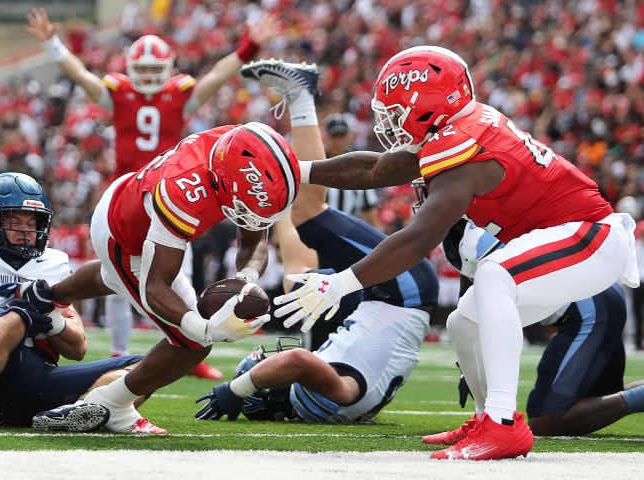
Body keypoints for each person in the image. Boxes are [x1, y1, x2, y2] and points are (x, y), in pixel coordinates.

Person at [273, 46, 639, 460]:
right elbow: (376, 170)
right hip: (569, 237)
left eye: (396, 111)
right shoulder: (459, 128)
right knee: (464, 321)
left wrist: (341, 283)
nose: (389, 123)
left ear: (427, 105)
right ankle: (488, 418)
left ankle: (503, 425)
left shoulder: (462, 143)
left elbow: (421, 236)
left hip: (591, 237)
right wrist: (297, 169)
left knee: (495, 274)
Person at [26, 9, 280, 378]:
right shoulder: (121, 94)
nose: (145, 77)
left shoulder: (176, 95)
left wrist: (251, 43)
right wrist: (52, 43)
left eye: (151, 69)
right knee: (117, 269)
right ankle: (124, 348)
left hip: (169, 193)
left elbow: (218, 75)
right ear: (131, 67)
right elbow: (80, 76)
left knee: (175, 267)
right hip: (128, 194)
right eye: (140, 70)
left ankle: (189, 347)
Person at [27, 107, 303, 433]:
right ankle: (110, 403)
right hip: (124, 235)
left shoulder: (240, 149)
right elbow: (155, 287)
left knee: (112, 278)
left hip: (128, 197)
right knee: (191, 344)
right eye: (249, 206)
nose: (256, 216)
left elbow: (255, 237)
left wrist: (246, 281)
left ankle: (47, 297)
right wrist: (204, 328)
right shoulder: (183, 192)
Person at [195, 60, 438, 423]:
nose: (273, 359)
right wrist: (236, 390)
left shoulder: (342, 401)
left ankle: (300, 101)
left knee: (299, 278)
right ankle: (301, 95)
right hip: (401, 290)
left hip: (386, 297)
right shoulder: (336, 395)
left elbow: (302, 361)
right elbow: (297, 362)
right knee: (306, 211)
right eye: (264, 372)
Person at [410, 181, 644, 438]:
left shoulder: (480, 232)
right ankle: (485, 421)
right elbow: (471, 296)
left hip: (590, 307)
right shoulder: (462, 233)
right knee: (596, 399)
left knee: (547, 419)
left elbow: (496, 286)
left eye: (431, 190)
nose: (424, 200)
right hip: (592, 302)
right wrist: (469, 360)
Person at [0, 173, 145, 433]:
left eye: (32, 222)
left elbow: (78, 346)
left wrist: (53, 324)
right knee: (16, 315)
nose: (26, 232)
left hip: (39, 382)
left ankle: (76, 411)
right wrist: (0, 315)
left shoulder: (52, 263)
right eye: (15, 221)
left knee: (148, 367)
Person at [322, 113, 380, 228]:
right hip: (318, 230)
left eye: (341, 136)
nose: (337, 141)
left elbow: (369, 209)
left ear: (349, 137)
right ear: (325, 137)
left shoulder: (358, 167)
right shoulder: (315, 163)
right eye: (334, 136)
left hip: (348, 231)